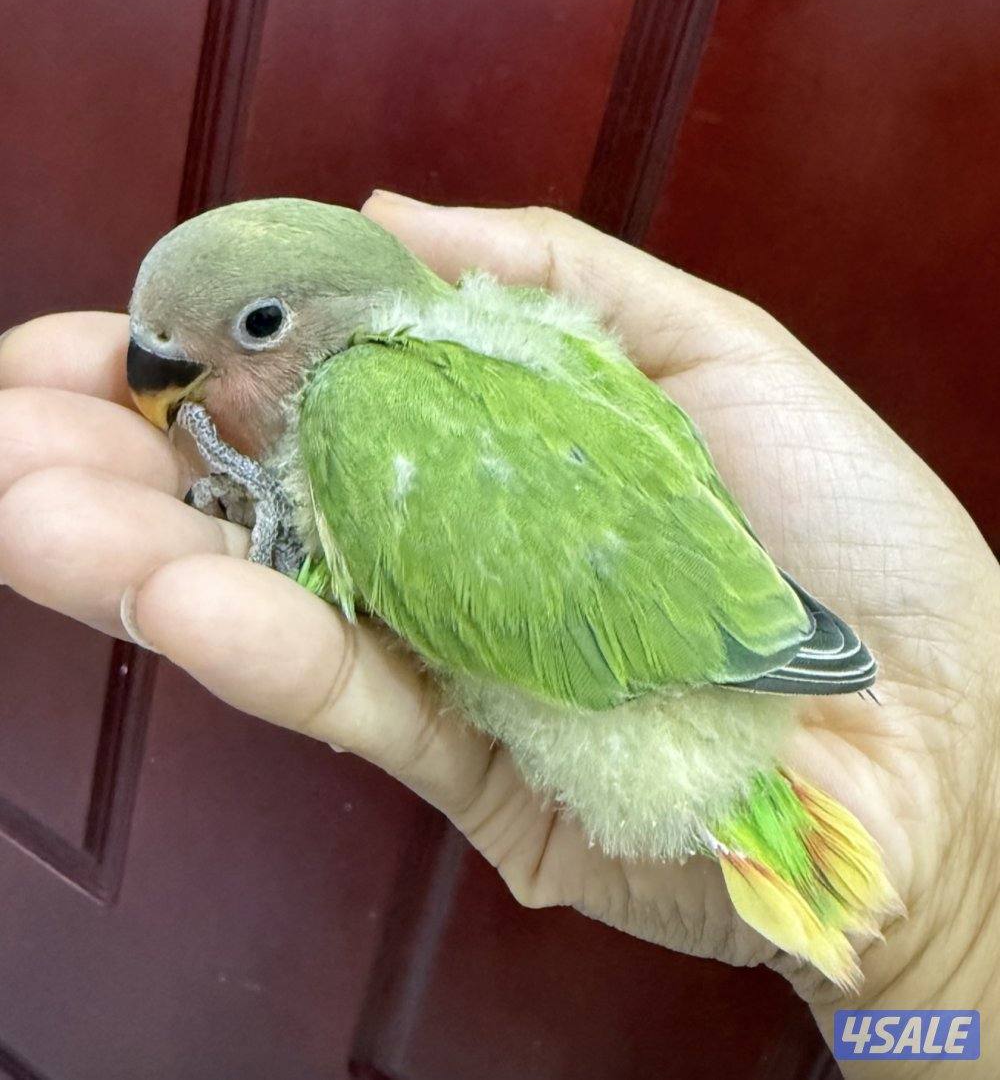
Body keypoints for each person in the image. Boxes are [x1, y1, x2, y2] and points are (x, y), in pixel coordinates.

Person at [0, 194, 996, 1072]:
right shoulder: (500, 332)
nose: (172, 381)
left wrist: (953, 925)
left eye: (257, 328)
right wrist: (943, 940)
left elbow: (349, 577)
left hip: (684, 712)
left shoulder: (368, 402)